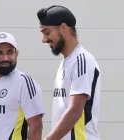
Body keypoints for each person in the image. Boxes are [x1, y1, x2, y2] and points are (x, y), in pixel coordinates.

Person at [36, 5, 102, 140]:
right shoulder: (66, 63)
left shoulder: (82, 60)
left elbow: (75, 110)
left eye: (47, 32)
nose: (44, 39)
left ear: (63, 28)